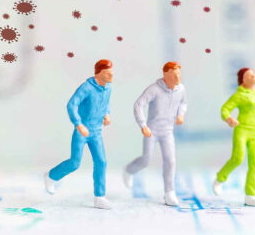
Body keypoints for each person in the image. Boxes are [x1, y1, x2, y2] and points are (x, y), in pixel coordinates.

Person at [44, 59, 114, 209]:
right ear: (99, 73)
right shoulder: (87, 87)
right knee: (75, 163)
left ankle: (99, 197)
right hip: (82, 131)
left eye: (111, 72)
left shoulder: (107, 88)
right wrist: (78, 124)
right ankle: (51, 176)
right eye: (108, 73)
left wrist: (107, 114)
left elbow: (105, 103)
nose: (111, 75)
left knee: (101, 162)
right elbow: (72, 104)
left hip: (96, 132)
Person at [123, 61, 187, 206]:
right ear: (165, 75)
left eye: (179, 74)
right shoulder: (154, 89)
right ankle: (129, 170)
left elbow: (183, 103)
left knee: (170, 160)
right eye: (174, 74)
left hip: (168, 130)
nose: (178, 77)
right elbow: (139, 104)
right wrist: (143, 125)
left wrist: (181, 114)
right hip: (152, 130)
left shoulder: (181, 89)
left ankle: (169, 192)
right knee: (146, 160)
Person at [212, 67, 255, 206]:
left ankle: (250, 195)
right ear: (243, 79)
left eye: (253, 75)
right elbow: (225, 108)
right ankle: (220, 178)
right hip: (242, 129)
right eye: (249, 76)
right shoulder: (239, 95)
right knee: (238, 158)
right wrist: (229, 119)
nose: (253, 77)